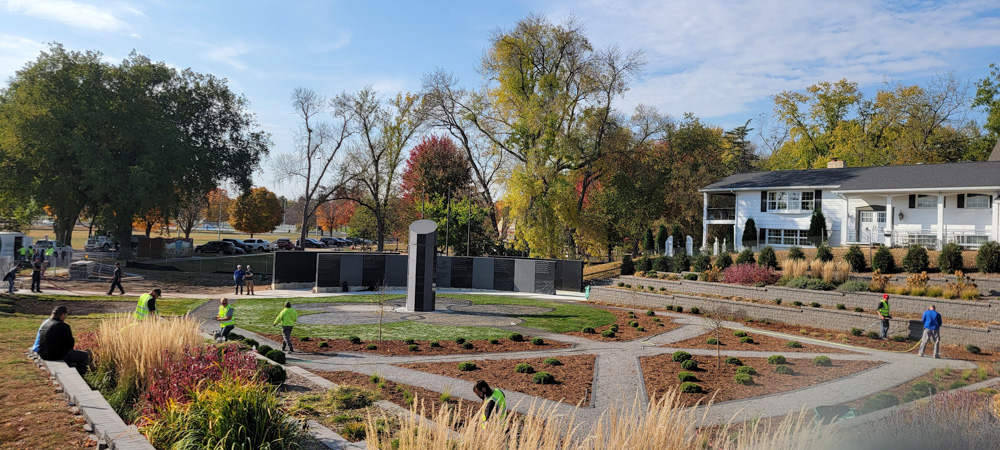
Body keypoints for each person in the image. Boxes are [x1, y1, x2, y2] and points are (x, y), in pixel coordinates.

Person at [37, 306, 90, 376]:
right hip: (53, 355)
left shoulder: (46, 323)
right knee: (84, 355)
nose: (65, 317)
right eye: (65, 315)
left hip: (43, 353)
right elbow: (70, 344)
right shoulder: (64, 326)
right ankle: (82, 375)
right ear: (62, 315)